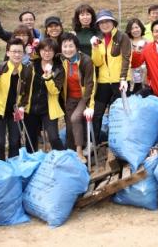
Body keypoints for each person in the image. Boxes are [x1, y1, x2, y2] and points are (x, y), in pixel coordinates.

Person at [0, 38, 33, 160]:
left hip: (15, 110)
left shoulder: (27, 69)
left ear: (24, 53)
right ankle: (0, 166)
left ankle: (13, 166)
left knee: (14, 141)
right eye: (14, 51)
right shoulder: (1, 68)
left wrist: (22, 107)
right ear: (8, 53)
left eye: (20, 52)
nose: (17, 54)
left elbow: (28, 92)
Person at [91, 9, 131, 144]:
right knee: (97, 113)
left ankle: (120, 142)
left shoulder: (122, 37)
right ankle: (94, 142)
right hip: (103, 82)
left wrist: (123, 78)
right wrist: (95, 48)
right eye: (101, 22)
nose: (104, 24)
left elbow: (126, 58)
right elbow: (97, 62)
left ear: (113, 22)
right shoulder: (99, 40)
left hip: (119, 82)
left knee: (119, 113)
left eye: (107, 21)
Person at [23, 38, 65, 152]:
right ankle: (32, 163)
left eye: (50, 51)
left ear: (55, 52)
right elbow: (24, 86)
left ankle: (64, 159)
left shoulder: (58, 69)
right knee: (30, 139)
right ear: (39, 51)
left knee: (54, 138)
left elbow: (55, 91)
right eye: (44, 50)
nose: (47, 53)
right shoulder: (32, 65)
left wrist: (48, 77)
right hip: (31, 108)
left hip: (48, 109)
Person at [60, 33, 96, 162]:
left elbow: (90, 84)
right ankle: (72, 154)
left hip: (83, 97)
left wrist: (88, 103)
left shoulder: (85, 61)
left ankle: (80, 152)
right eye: (65, 46)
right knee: (69, 127)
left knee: (75, 119)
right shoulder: (62, 60)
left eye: (71, 46)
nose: (68, 49)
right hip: (69, 98)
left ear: (77, 47)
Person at [125, 18, 147, 93]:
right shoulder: (126, 43)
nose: (135, 30)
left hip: (145, 80)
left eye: (137, 27)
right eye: (132, 28)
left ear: (141, 28)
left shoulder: (149, 43)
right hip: (130, 81)